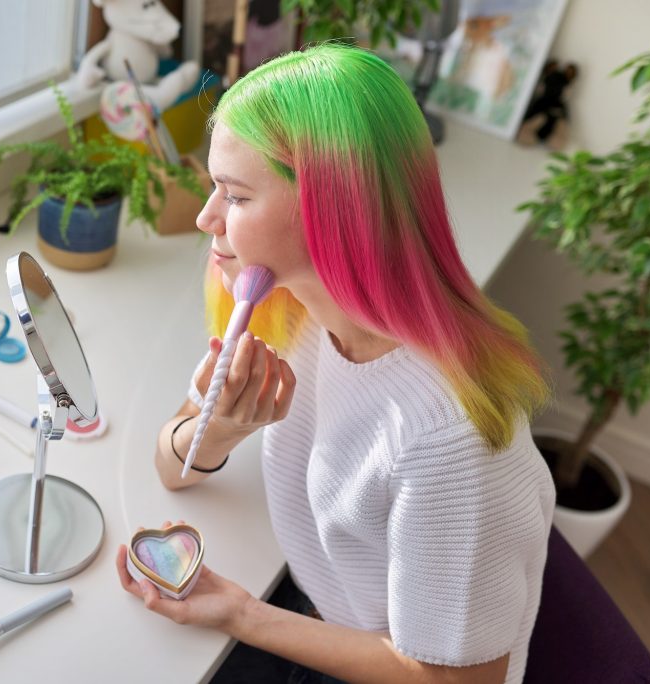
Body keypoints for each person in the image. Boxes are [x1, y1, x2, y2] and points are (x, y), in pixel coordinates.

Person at [115, 43, 555, 684]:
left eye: (235, 196)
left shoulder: (447, 442)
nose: (207, 217)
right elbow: (173, 466)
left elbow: (457, 681)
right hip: (325, 613)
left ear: (332, 210)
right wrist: (226, 428)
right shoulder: (291, 310)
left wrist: (243, 614)